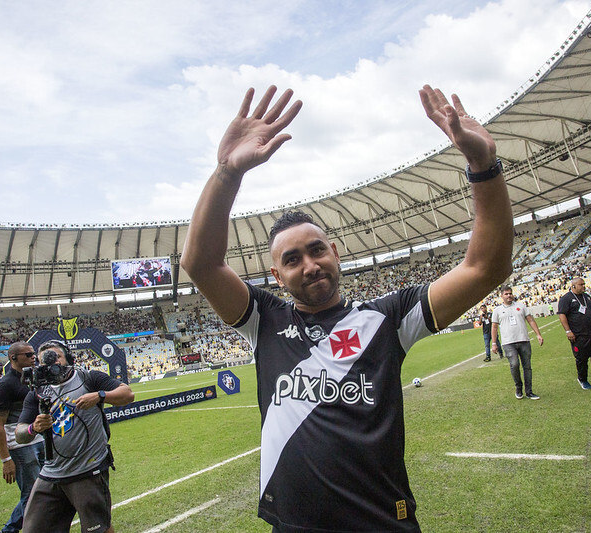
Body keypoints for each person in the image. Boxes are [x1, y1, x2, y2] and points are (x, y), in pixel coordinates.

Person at [180, 84, 513, 531]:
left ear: (336, 252)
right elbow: (200, 263)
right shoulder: (264, 320)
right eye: (292, 260)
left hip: (381, 522)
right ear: (277, 277)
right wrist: (226, 173)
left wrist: (483, 166)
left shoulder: (388, 317)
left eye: (317, 250)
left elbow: (486, 268)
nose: (310, 265)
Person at [15, 340, 134, 533]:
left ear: (69, 359)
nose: (50, 365)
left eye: (56, 358)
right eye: (44, 362)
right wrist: (33, 428)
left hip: (87, 470)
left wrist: (99, 396)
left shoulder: (89, 378)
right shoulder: (36, 393)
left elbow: (127, 394)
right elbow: (19, 435)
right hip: (51, 474)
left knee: (98, 530)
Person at [0, 341, 46, 533]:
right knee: (32, 494)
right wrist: (6, 459)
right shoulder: (5, 385)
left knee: (45, 488)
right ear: (13, 358)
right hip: (20, 446)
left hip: (39, 439)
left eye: (33, 354)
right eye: (28, 355)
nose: (33, 358)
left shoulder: (35, 377)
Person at [490, 286, 544, 399]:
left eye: (510, 293)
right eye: (506, 294)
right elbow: (494, 327)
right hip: (508, 343)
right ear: (501, 296)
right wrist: (494, 343)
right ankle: (518, 388)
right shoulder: (497, 310)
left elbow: (530, 320)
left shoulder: (521, 306)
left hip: (524, 340)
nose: (509, 295)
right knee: (514, 365)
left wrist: (538, 334)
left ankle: (529, 391)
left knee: (527, 366)